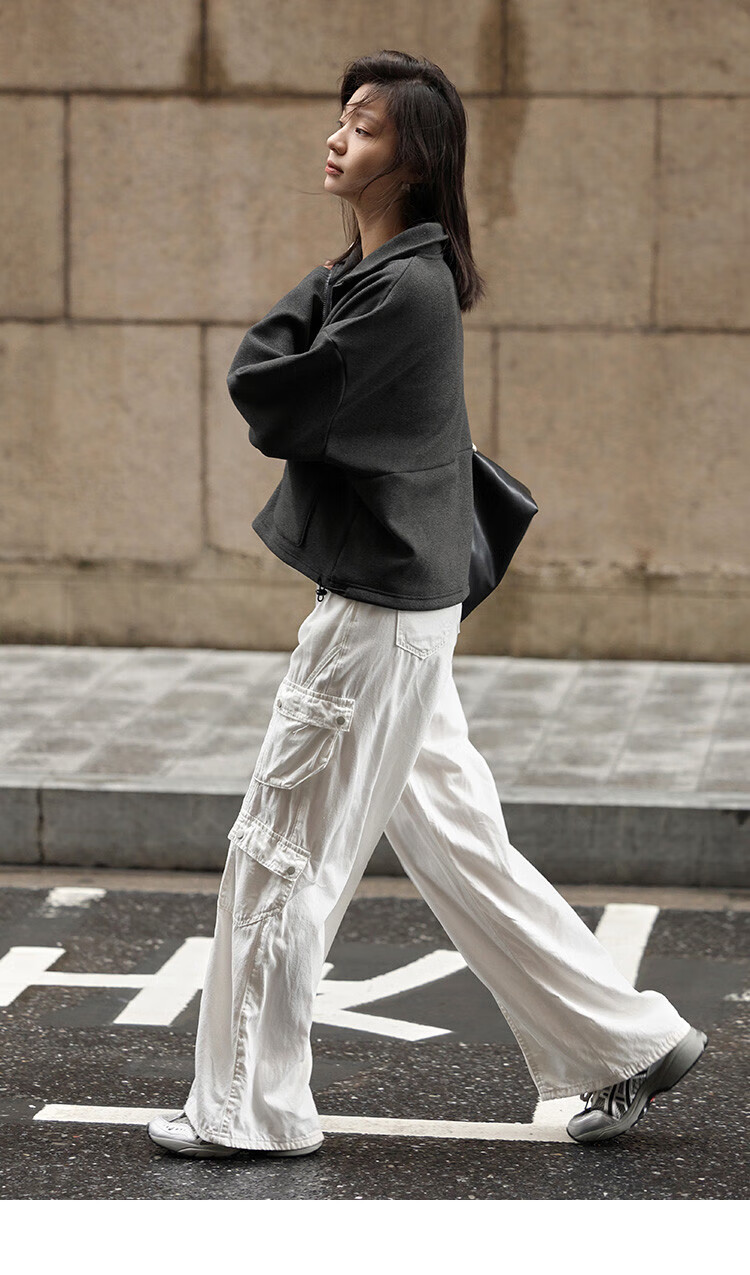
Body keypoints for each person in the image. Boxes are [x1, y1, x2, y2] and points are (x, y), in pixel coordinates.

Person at [148, 50, 707, 1160]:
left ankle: (250, 1109)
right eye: (342, 117)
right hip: (402, 614)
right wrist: (337, 270)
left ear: (413, 160)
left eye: (363, 126)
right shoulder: (395, 275)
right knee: (461, 847)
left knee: (280, 852)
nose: (337, 136)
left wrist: (325, 280)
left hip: (372, 622)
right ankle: (624, 1041)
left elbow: (268, 392)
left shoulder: (398, 291)